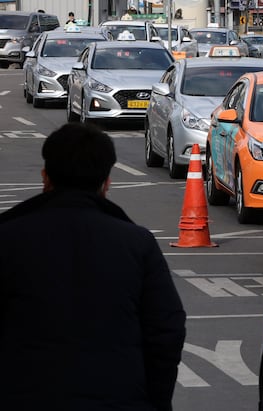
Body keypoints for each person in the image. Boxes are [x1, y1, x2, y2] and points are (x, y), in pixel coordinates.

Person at [0, 123, 186, 411]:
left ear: (45, 177)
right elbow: (166, 330)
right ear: (106, 183)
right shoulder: (137, 243)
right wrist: (156, 401)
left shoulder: (9, 237)